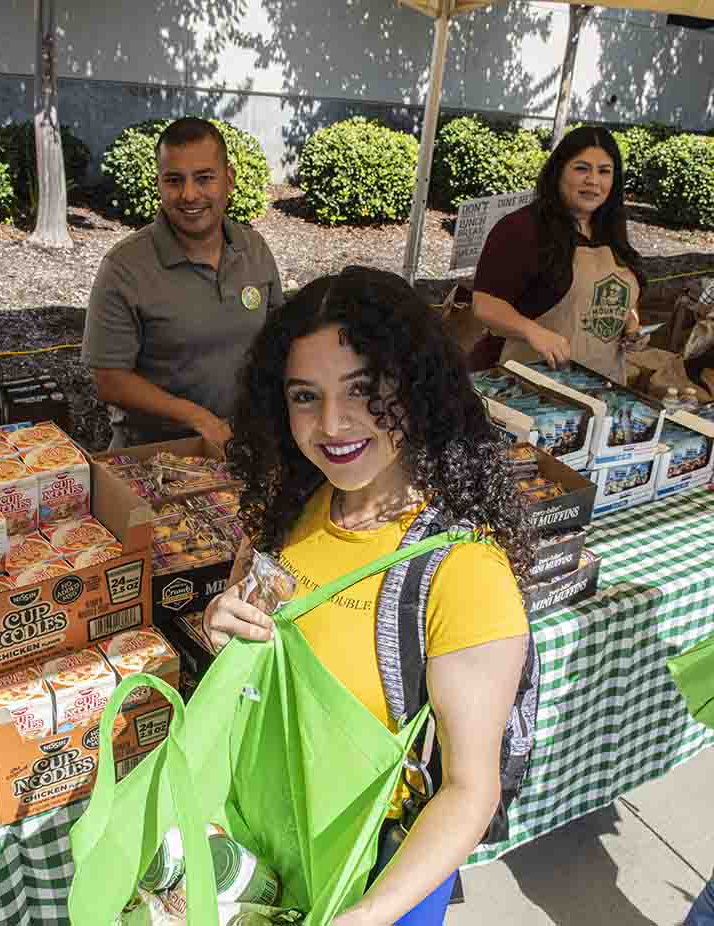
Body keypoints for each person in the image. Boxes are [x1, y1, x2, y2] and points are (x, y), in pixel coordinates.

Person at [203, 266, 536, 924]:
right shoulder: (289, 510)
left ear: (416, 389)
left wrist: (366, 916)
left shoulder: (463, 575)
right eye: (305, 396)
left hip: (375, 882)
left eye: (364, 390)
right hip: (269, 846)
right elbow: (258, 672)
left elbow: (472, 791)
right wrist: (221, 628)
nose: (332, 423)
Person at [82, 117, 284, 449]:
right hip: (154, 456)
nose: (189, 194)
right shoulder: (124, 268)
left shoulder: (254, 249)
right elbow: (109, 381)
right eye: (174, 180)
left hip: (243, 444)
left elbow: (280, 341)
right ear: (159, 184)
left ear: (229, 179)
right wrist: (198, 418)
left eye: (204, 178)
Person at [471, 125, 646, 384]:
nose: (593, 181)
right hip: (527, 388)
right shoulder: (522, 228)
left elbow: (621, 298)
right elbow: (484, 304)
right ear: (558, 172)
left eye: (604, 171)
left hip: (601, 388)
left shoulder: (613, 231)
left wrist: (631, 327)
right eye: (582, 168)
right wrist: (533, 331)